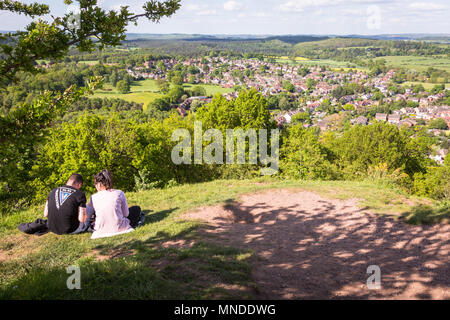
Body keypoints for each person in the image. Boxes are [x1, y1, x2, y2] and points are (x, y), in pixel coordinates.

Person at [88, 169, 144, 240]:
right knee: (136, 209)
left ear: (99, 184)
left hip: (100, 229)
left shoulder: (93, 197)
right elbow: (126, 214)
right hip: (120, 227)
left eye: (95, 184)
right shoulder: (119, 193)